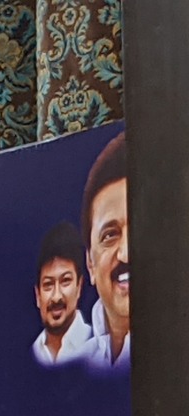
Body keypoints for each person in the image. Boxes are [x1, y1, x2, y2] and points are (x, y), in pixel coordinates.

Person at [79, 132, 128, 373]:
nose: (126, 254)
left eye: (142, 230)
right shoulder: (75, 365)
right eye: (110, 235)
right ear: (90, 264)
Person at [30, 221, 90, 367]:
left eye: (65, 281)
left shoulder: (101, 350)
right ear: (37, 295)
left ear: (79, 286)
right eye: (48, 284)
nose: (56, 296)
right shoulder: (29, 356)